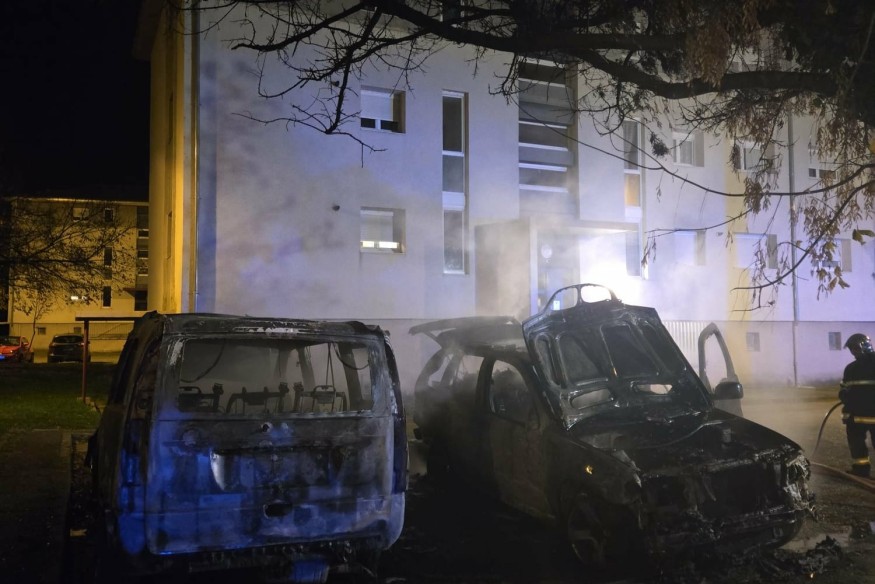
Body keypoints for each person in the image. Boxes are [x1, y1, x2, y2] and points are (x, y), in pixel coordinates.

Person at [840, 333, 875, 478]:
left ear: (861, 347)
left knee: (857, 444)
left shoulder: (851, 369)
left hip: (856, 416)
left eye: (854, 349)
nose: (853, 353)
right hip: (862, 415)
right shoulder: (852, 368)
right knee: (858, 444)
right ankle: (860, 470)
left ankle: (861, 471)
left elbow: (843, 393)